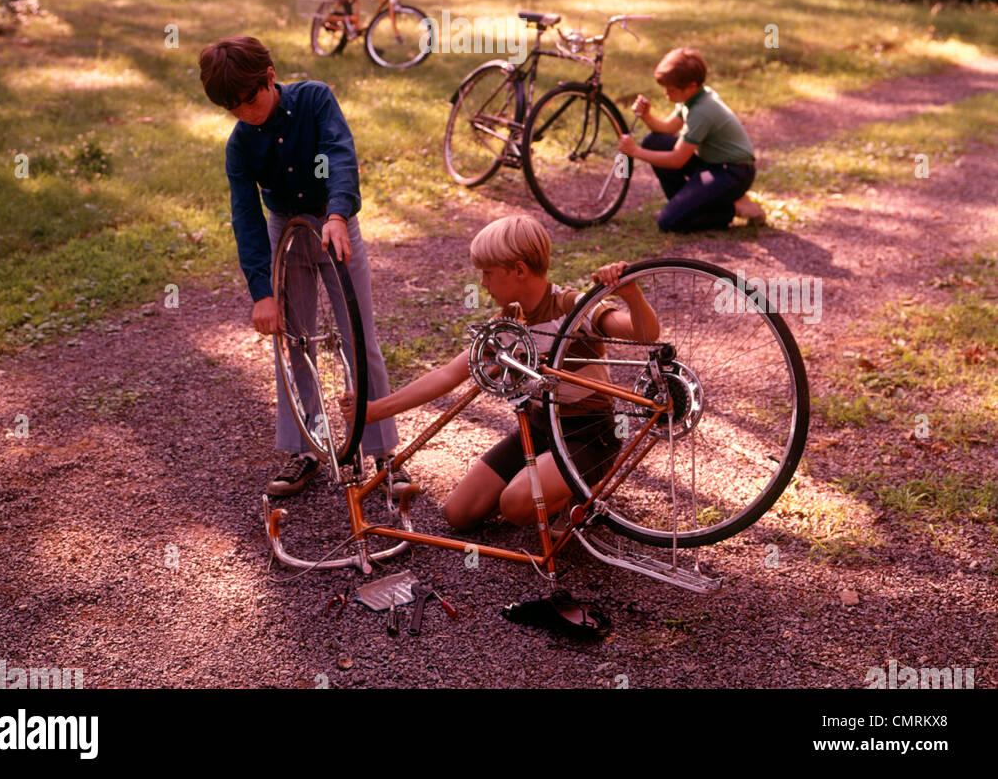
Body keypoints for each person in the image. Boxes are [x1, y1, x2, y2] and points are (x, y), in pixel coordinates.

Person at [345, 215, 660, 531]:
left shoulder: (572, 307)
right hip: (540, 431)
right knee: (458, 513)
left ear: (519, 270)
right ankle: (542, 483)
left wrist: (630, 293)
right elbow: (447, 374)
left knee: (515, 504)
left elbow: (644, 334)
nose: (482, 283)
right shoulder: (508, 327)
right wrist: (372, 411)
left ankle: (573, 497)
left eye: (488, 274)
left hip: (589, 436)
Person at [198, 35, 398, 497]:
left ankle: (384, 450)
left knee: (359, 337)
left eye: (251, 99)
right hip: (283, 231)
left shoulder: (314, 99)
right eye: (234, 108)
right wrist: (261, 294)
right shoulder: (240, 146)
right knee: (294, 342)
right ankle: (304, 449)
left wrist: (337, 214)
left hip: (334, 225)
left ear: (270, 78)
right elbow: (245, 217)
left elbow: (340, 153)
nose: (246, 112)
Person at [617, 46, 766, 233]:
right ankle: (688, 204)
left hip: (733, 173)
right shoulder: (693, 98)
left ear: (691, 86)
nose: (666, 95)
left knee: (669, 222)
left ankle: (734, 208)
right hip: (712, 165)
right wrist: (647, 116)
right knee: (654, 142)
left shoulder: (703, 110)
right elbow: (668, 128)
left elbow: (677, 160)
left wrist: (634, 152)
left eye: (670, 90)